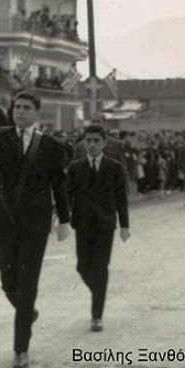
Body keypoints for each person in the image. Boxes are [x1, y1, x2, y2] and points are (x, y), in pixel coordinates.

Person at [0, 91, 70, 368]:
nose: (19, 111)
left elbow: (59, 185)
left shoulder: (52, 146)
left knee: (27, 282)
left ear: (37, 112)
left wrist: (64, 220)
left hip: (36, 222)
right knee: (8, 281)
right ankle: (27, 311)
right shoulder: (1, 136)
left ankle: (21, 349)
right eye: (17, 107)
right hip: (6, 218)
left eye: (26, 107)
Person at [65, 125, 130, 332]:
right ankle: (99, 292)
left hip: (105, 224)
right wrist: (63, 218)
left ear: (104, 143)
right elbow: (67, 195)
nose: (92, 145)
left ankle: (96, 315)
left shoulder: (114, 167)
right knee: (82, 266)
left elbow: (121, 198)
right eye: (88, 141)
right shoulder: (75, 167)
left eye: (96, 141)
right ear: (84, 143)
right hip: (83, 223)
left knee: (100, 267)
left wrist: (125, 225)